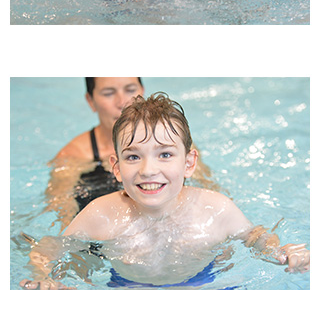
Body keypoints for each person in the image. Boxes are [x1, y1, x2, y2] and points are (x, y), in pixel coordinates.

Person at [21, 93, 309, 290]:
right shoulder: (101, 216)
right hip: (126, 287)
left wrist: (280, 251)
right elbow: (49, 247)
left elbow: (255, 237)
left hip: (207, 283)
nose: (148, 170)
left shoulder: (216, 210)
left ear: (189, 163)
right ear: (116, 167)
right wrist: (44, 277)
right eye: (133, 157)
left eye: (165, 155)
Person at [46, 78, 214, 230]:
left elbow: (207, 195)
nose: (122, 102)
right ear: (91, 101)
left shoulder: (174, 144)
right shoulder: (72, 156)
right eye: (108, 93)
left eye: (130, 90)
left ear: (142, 91)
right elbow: (62, 219)